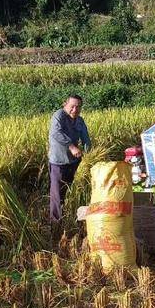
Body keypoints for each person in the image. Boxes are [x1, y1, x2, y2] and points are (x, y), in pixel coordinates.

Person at [48, 94, 91, 222]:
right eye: (72, 106)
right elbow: (56, 133)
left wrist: (89, 154)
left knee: (73, 189)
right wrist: (72, 147)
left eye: (78, 107)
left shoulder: (80, 121)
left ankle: (73, 216)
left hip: (74, 162)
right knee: (57, 194)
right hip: (58, 162)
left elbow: (85, 139)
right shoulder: (59, 115)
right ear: (65, 104)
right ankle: (56, 222)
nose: (75, 110)